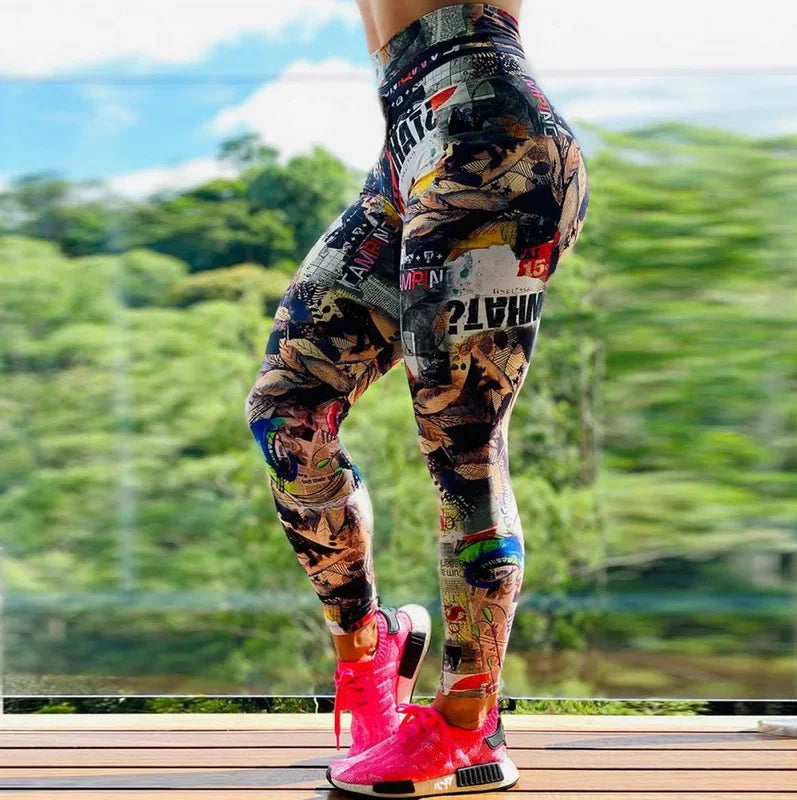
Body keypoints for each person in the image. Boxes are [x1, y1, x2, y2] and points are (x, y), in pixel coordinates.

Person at [244, 0, 589, 795]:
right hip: (408, 147)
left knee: (463, 447)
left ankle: (468, 729)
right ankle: (371, 653)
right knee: (288, 414)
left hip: (489, 138)